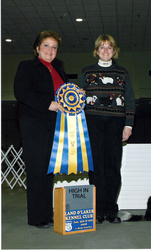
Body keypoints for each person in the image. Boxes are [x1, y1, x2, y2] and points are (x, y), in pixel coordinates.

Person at [79, 34, 136, 224]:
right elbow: (77, 100)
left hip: (115, 123)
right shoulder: (86, 72)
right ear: (96, 51)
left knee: (113, 167)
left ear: (114, 51)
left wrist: (128, 124)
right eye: (102, 47)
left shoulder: (123, 73)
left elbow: (129, 100)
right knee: (96, 168)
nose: (105, 51)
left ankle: (111, 209)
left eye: (109, 47)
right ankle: (96, 210)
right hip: (92, 123)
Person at [14, 30, 68, 228]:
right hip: (33, 122)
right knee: (37, 169)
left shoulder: (59, 70)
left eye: (54, 47)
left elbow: (65, 95)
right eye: (46, 45)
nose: (50, 50)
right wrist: (48, 103)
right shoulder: (26, 66)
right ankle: (37, 217)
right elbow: (20, 92)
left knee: (48, 170)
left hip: (54, 124)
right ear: (37, 48)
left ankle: (47, 212)